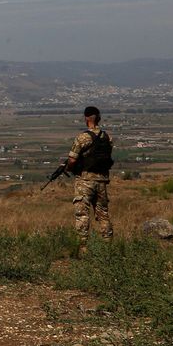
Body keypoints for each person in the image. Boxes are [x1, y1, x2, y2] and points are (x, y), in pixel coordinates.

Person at [66, 105, 114, 248]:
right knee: (103, 215)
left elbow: (72, 160)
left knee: (82, 214)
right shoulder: (107, 137)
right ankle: (107, 246)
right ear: (98, 118)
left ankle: (82, 247)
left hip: (85, 181)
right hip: (102, 181)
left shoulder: (82, 137)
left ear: (86, 118)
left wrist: (71, 168)